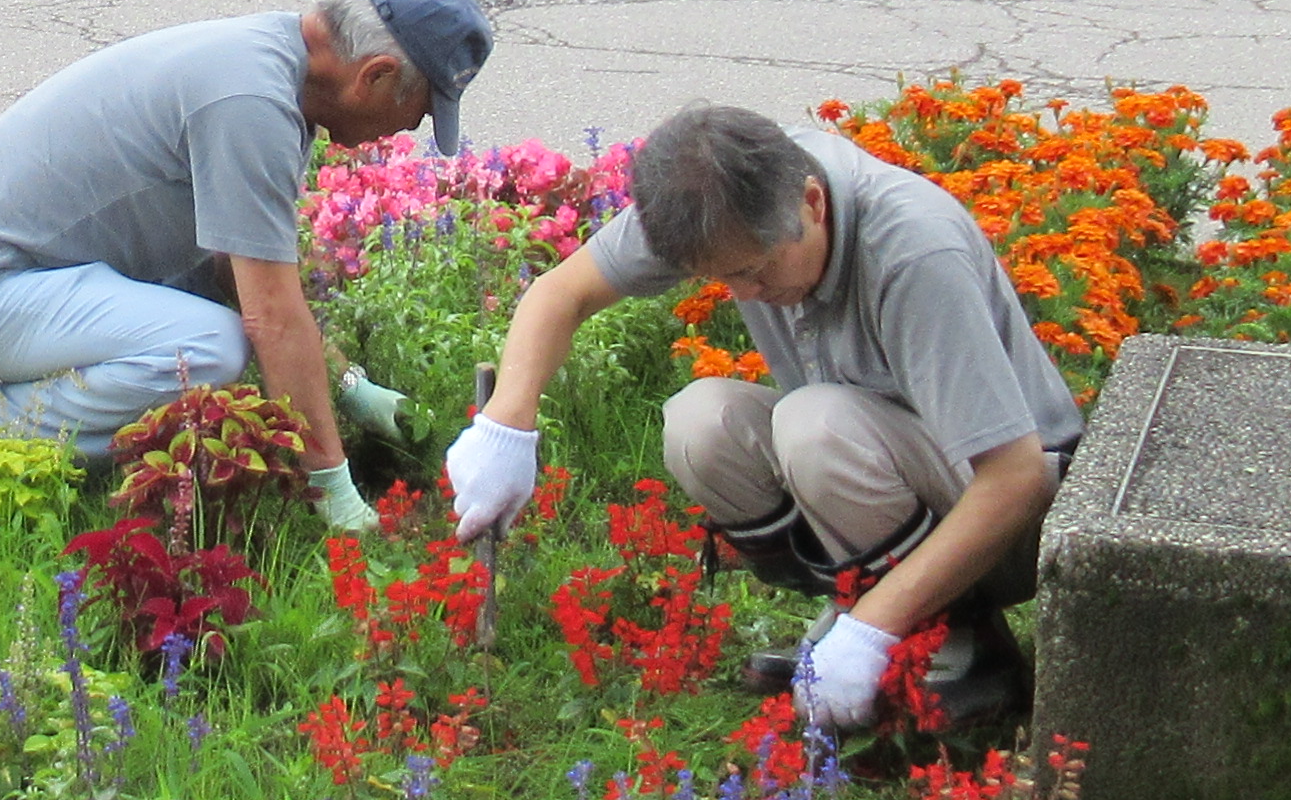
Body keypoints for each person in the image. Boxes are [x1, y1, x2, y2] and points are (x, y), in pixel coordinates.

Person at [445, 101, 1079, 749]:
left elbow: (1016, 478)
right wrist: (507, 424)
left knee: (814, 426)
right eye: (719, 277)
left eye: (753, 270)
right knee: (700, 425)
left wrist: (873, 628)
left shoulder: (911, 250)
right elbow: (561, 292)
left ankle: (957, 644)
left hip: (1019, 520)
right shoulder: (713, 201)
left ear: (813, 204)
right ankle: (869, 607)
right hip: (901, 467)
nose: (743, 294)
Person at [0, 0, 494, 530]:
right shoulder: (251, 104)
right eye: (418, 111)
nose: (409, 131)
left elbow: (232, 271)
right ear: (377, 75)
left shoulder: (272, 57)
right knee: (207, 350)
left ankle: (27, 403)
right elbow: (272, 316)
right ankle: (3, 425)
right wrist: (332, 486)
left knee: (210, 322)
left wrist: (349, 387)